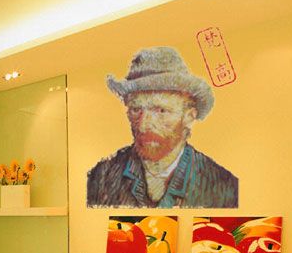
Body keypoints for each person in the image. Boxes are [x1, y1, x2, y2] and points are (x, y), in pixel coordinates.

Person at [87, 46, 238, 208]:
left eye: (161, 111)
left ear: (189, 117)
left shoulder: (223, 187)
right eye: (136, 109)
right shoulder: (101, 177)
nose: (143, 125)